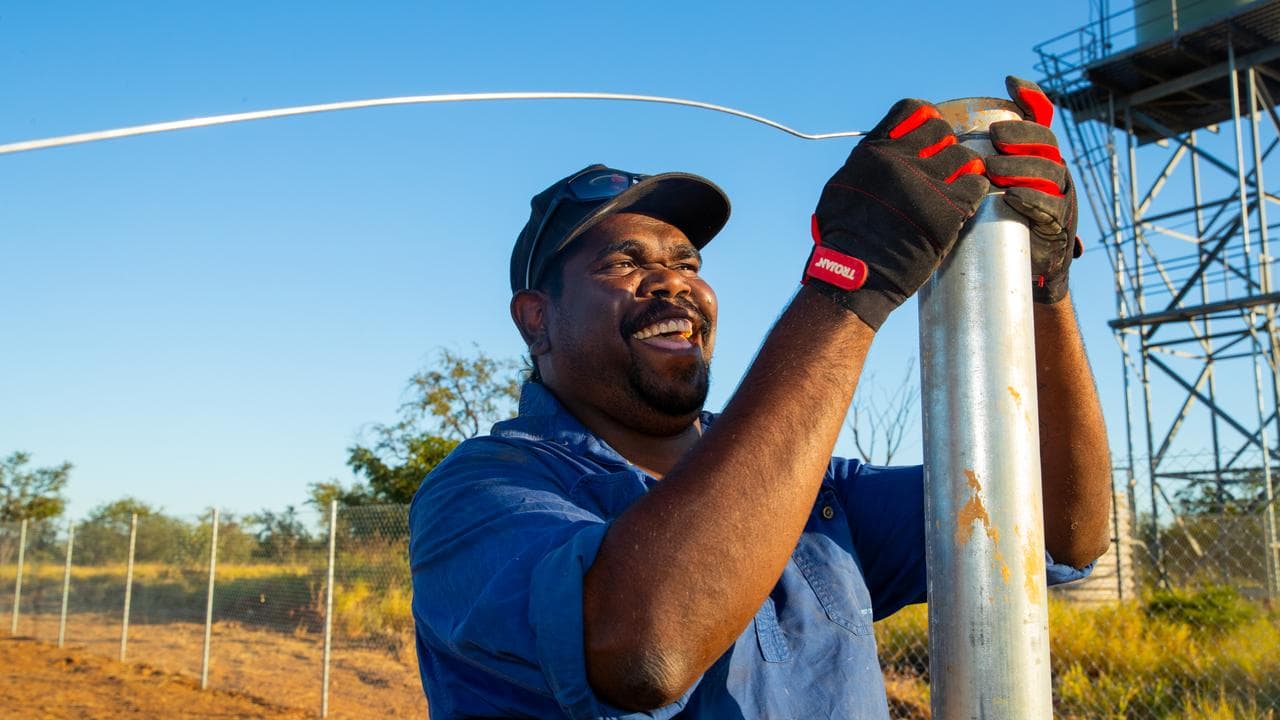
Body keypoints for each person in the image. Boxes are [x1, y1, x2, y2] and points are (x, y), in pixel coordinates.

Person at [408, 77, 1112, 719]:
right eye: (624, 262)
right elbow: (644, 650)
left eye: (688, 263)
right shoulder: (481, 491)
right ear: (536, 319)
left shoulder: (819, 490)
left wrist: (1041, 293)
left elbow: (1055, 527)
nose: (673, 282)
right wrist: (850, 282)